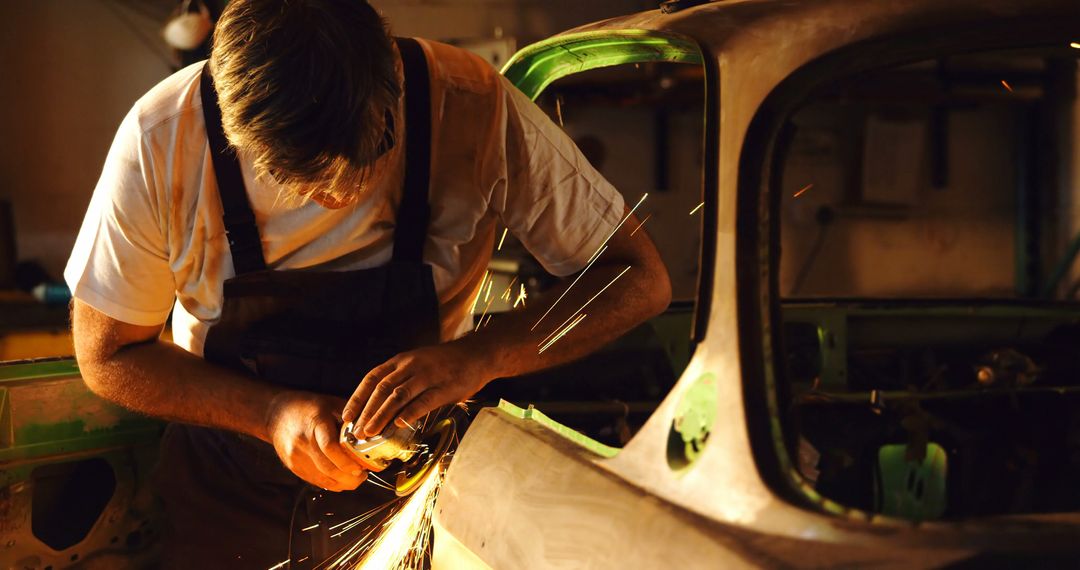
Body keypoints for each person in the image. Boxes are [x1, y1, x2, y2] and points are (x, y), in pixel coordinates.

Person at [66, 0, 671, 566]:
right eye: (300, 181)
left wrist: (480, 356)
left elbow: (639, 279)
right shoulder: (162, 138)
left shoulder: (468, 103)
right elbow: (107, 355)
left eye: (366, 160)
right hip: (226, 498)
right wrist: (271, 413)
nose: (338, 199)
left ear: (392, 88)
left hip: (418, 488)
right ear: (236, 133)